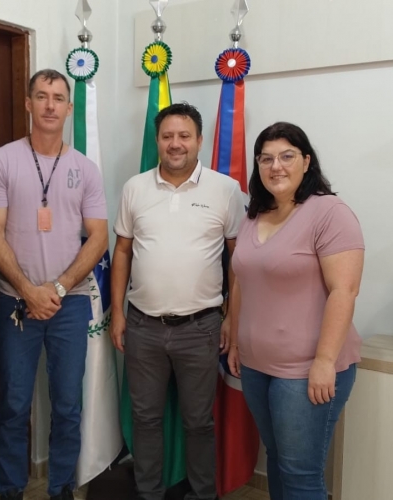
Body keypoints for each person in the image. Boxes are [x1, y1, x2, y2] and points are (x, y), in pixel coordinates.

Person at [0, 68, 108, 500]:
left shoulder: (84, 169)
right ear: (28, 104)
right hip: (15, 302)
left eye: (58, 97)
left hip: (68, 304)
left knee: (67, 407)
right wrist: (29, 290)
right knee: (14, 404)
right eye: (42, 96)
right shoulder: (2, 160)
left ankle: (60, 490)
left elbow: (99, 235)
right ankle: (11, 490)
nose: (50, 105)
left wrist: (56, 289)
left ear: (70, 108)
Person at [110, 102, 246, 500]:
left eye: (184, 136)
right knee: (146, 419)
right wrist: (117, 312)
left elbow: (239, 258)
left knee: (199, 422)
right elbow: (122, 252)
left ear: (199, 140)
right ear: (157, 140)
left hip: (201, 328)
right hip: (142, 326)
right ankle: (149, 493)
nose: (175, 144)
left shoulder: (226, 189)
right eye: (167, 136)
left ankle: (203, 494)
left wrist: (229, 318)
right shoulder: (135, 188)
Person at [227, 122, 365, 500]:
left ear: (306, 161)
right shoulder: (256, 213)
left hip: (305, 370)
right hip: (257, 365)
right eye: (266, 158)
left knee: (301, 475)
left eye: (287, 156)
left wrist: (324, 360)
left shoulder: (329, 212)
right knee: (277, 462)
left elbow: (345, 290)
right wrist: (237, 341)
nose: (276, 166)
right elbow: (242, 282)